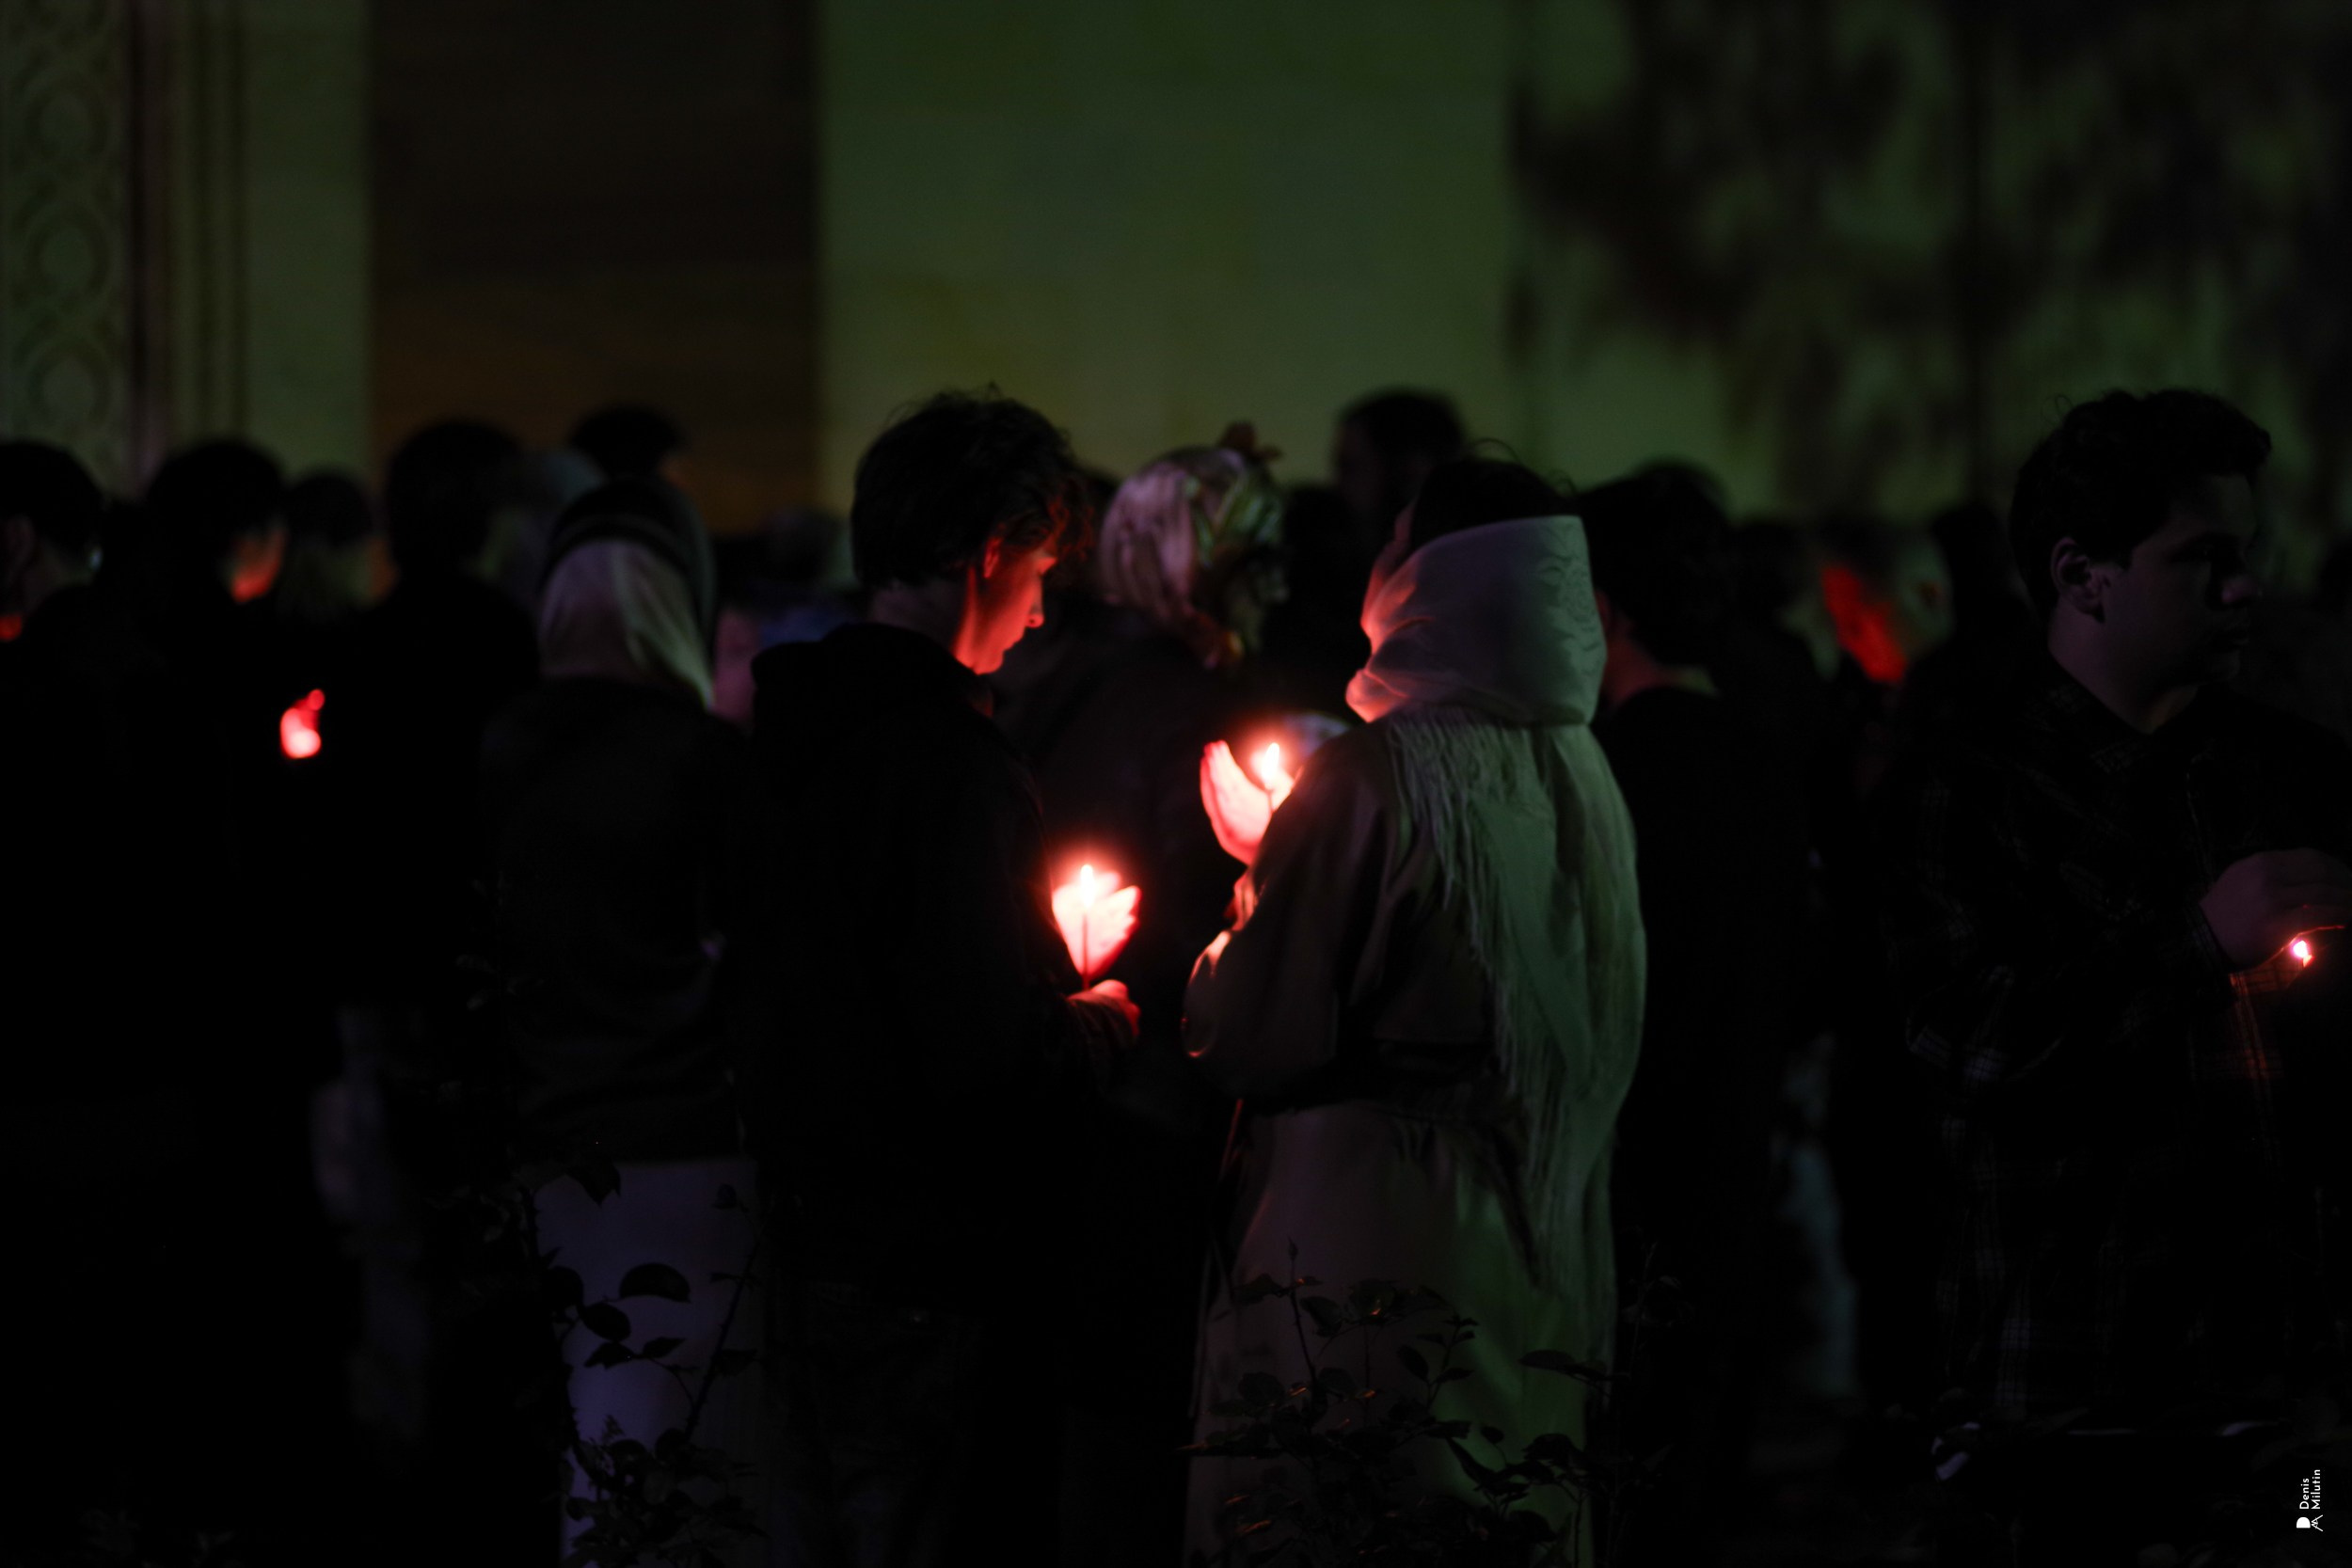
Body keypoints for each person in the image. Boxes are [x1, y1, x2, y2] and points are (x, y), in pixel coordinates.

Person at [1878, 390, 2352, 1560]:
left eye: (2249, 553)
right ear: (2081, 574)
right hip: (2067, 1415)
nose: (2244, 588)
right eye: (2203, 558)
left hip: (2288, 1409)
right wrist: (2197, 941)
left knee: (2307, 1541)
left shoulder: (2290, 773)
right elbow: (1974, 1046)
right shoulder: (1964, 793)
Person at [1184, 456, 1645, 1557]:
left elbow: (1252, 1027)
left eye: (1395, 544)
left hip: (1370, 1218)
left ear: (1431, 579)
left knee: (1361, 1499)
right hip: (1535, 1217)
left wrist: (1257, 881)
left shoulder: (1374, 775)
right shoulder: (1584, 770)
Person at [747, 390, 1138, 1565]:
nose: (1041, 609)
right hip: (935, 1259)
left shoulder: (787, 727)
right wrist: (1096, 1023)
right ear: (990, 550)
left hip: (804, 1236)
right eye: (1042, 570)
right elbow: (977, 1050)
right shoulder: (948, 760)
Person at [479, 476, 773, 1563]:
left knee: (580, 1435)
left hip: (535, 1137)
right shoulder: (706, 758)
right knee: (672, 1442)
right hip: (683, 1145)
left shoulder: (498, 748)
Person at [1580, 468, 1809, 1564]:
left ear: (1602, 605)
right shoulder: (1761, 750)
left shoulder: (1613, 769)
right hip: (1736, 1140)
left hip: (1635, 1155)